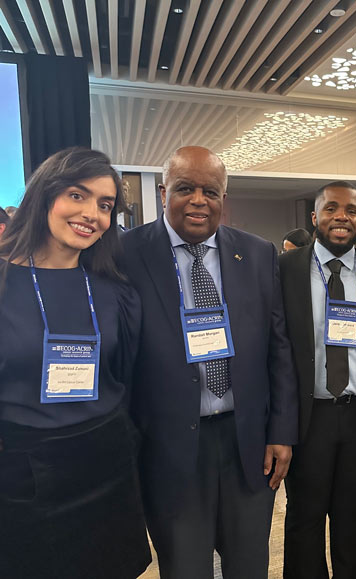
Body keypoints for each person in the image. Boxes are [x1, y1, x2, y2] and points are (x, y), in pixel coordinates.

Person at [120, 146, 298, 579]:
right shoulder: (125, 254)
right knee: (185, 568)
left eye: (211, 192)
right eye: (185, 189)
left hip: (248, 443)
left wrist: (281, 431)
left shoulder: (256, 253)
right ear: (163, 193)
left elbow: (279, 348)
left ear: (223, 198)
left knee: (250, 564)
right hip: (169, 446)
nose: (199, 200)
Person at [0, 147, 151, 579]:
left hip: (107, 466)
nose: (92, 214)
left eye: (105, 205)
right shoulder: (4, 281)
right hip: (27, 475)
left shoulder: (114, 291)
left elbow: (125, 375)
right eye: (77, 195)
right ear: (46, 195)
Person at [279, 182, 356, 578]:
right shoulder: (284, 269)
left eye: (351, 211)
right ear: (315, 218)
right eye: (331, 209)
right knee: (305, 517)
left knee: (351, 515)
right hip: (309, 415)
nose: (341, 217)